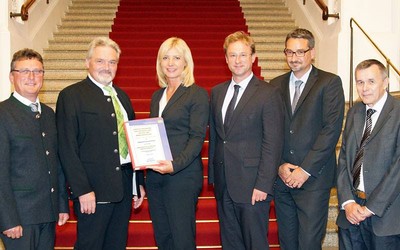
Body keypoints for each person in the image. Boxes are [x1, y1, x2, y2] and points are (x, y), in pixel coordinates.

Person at [56, 37, 145, 250]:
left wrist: (138, 182)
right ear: (87, 62)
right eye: (100, 61)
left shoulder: (122, 97)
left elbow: (132, 143)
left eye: (112, 62)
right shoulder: (71, 96)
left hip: (123, 188)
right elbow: (67, 148)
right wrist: (82, 190)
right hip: (92, 192)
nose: (107, 67)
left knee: (117, 245)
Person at [269, 28, 345, 250]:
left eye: (300, 52)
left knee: (309, 243)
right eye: (289, 52)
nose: (294, 58)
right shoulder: (274, 85)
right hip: (283, 179)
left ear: (312, 52)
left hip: (313, 180)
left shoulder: (329, 83)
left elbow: (331, 131)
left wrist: (304, 170)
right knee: (287, 242)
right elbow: (271, 131)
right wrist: (280, 165)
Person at [208, 31, 284, 249]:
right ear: (226, 59)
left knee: (255, 243)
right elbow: (216, 138)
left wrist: (263, 184)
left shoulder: (268, 93)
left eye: (243, 54)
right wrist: (214, 178)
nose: (238, 60)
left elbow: (273, 143)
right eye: (232, 55)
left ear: (253, 58)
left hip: (253, 186)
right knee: (230, 243)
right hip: (224, 185)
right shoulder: (217, 92)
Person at [0, 48, 69, 249]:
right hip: (19, 217)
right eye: (24, 71)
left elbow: (56, 163)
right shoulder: (3, 114)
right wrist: (8, 219)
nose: (32, 77)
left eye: (37, 71)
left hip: (47, 213)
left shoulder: (48, 114)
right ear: (12, 77)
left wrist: (61, 205)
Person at [145, 37, 209, 250]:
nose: (170, 63)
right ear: (159, 63)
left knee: (182, 239)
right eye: (165, 57)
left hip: (182, 176)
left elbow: (197, 137)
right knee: (163, 236)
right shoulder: (157, 96)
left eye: (176, 57)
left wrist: (174, 164)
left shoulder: (196, 94)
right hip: (155, 177)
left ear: (185, 62)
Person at [336, 59, 400, 249]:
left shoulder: (397, 113)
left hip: (385, 217)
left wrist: (370, 208)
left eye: (371, 81)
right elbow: (344, 161)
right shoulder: (355, 111)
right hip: (351, 213)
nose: (364, 88)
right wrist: (347, 202)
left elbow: (398, 169)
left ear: (386, 82)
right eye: (360, 82)